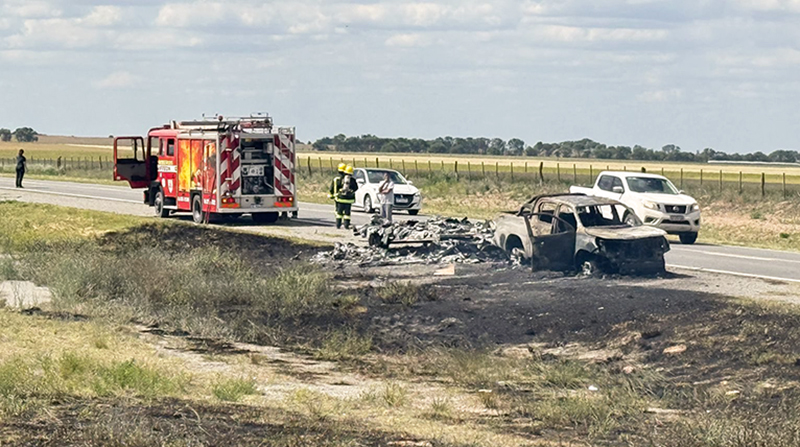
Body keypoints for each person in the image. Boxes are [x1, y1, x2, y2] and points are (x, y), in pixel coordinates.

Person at [328, 163, 358, 229]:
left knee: (339, 213)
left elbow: (335, 188)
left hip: (340, 199)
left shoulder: (340, 179)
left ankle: (338, 224)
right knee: (347, 214)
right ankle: (346, 225)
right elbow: (356, 188)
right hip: (349, 200)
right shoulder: (353, 180)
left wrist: (332, 195)